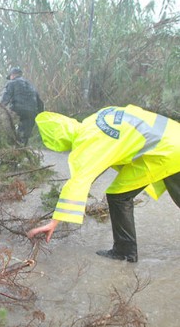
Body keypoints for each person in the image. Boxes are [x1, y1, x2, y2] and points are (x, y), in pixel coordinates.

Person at [27, 105, 180, 262]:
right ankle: (124, 250)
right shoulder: (98, 116)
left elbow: (80, 180)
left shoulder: (86, 140)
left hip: (164, 151)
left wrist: (54, 222)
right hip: (174, 137)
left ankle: (124, 252)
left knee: (118, 195)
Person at [0, 67, 44, 145]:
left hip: (17, 110)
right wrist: (41, 113)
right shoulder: (31, 85)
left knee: (10, 129)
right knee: (25, 134)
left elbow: (5, 99)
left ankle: (12, 147)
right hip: (32, 112)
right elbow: (40, 102)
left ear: (12, 75)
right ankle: (21, 149)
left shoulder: (11, 83)